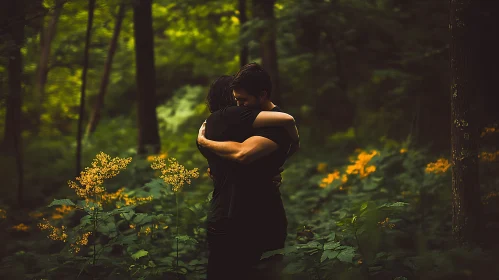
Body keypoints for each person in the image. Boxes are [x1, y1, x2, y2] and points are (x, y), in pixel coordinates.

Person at [197, 63, 300, 279]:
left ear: (261, 95)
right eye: (235, 101)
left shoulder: (270, 125)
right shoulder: (230, 122)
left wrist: (205, 144)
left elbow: (242, 154)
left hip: (257, 220)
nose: (239, 106)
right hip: (232, 217)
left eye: (242, 100)